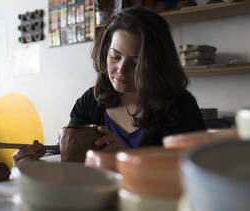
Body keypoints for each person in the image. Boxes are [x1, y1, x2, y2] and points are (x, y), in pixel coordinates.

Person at [13, 6, 205, 165]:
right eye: (115, 56)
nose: (121, 70)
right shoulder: (91, 101)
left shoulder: (180, 106)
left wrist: (126, 159)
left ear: (157, 64)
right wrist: (33, 162)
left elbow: (193, 175)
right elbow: (68, 159)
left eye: (136, 62)